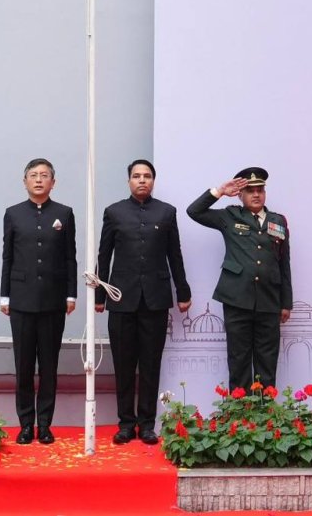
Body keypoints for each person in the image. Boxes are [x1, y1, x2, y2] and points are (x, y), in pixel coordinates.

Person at [95, 158, 191, 445]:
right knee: (124, 364)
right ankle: (125, 423)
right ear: (128, 181)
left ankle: (147, 424)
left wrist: (183, 291)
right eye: (136, 176)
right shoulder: (114, 212)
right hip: (121, 299)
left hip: (155, 299)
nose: (142, 180)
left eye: (147, 176)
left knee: (150, 364)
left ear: (153, 181)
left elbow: (175, 254)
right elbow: (103, 255)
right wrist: (100, 295)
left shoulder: (166, 212)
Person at [187, 167, 291, 390]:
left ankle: (265, 417)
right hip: (237, 300)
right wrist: (220, 191)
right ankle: (241, 419)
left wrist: (286, 303)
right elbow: (194, 211)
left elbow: (284, 265)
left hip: (269, 301)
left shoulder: (278, 221)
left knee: (267, 362)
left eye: (260, 190)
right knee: (239, 360)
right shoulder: (230, 216)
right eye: (250, 190)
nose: (256, 194)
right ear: (241, 195)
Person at [0, 158, 77, 445]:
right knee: (23, 367)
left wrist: (71, 294)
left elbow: (70, 257)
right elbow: (7, 257)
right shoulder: (14, 214)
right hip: (20, 301)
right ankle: (25, 425)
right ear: (25, 181)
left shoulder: (64, 214)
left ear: (53, 182)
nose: (39, 180)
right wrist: (4, 295)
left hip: (54, 301)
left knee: (48, 366)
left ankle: (44, 425)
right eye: (33, 175)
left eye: (45, 175)